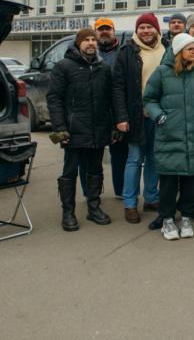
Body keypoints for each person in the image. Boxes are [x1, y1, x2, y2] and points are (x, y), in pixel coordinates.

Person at [143, 33, 194, 240]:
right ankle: (167, 219)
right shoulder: (162, 72)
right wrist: (160, 117)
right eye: (190, 48)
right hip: (169, 135)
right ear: (178, 51)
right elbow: (149, 98)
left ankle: (186, 217)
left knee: (191, 182)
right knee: (168, 183)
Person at [47, 28, 113, 231]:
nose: (91, 43)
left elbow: (110, 98)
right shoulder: (64, 67)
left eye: (93, 39)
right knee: (69, 172)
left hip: (98, 128)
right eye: (86, 40)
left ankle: (94, 208)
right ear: (78, 43)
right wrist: (60, 127)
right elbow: (54, 99)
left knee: (95, 170)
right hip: (73, 130)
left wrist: (113, 124)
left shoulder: (103, 68)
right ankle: (68, 212)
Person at [112, 13, 166, 225]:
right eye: (141, 27)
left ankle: (151, 198)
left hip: (160, 116)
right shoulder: (127, 51)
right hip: (136, 116)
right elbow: (117, 86)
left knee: (155, 158)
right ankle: (130, 203)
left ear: (156, 29)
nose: (145, 31)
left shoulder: (167, 49)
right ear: (137, 30)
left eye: (149, 27)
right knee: (135, 159)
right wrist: (121, 116)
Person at [94, 17, 127, 199]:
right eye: (101, 29)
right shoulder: (89, 53)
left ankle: (120, 191)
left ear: (113, 31)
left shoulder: (122, 52)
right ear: (95, 32)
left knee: (119, 156)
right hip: (96, 114)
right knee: (94, 157)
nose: (104, 32)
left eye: (108, 29)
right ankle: (93, 193)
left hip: (117, 113)